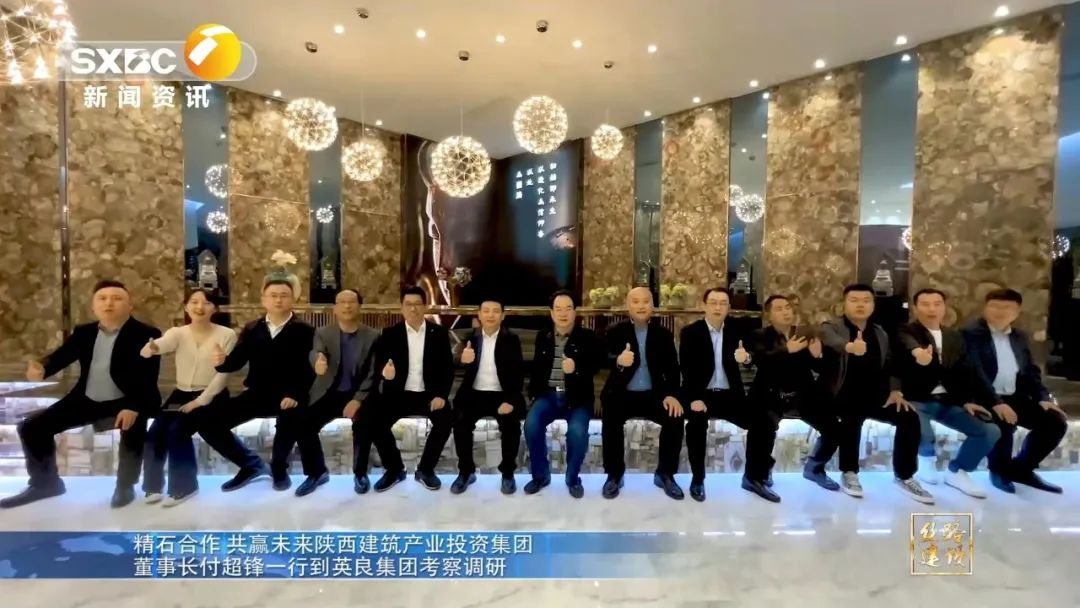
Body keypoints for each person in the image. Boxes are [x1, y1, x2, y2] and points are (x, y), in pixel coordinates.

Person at [1, 280, 161, 509]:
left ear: (130, 306)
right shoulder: (84, 332)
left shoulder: (147, 334)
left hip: (127, 399)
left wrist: (134, 406)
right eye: (102, 298)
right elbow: (63, 355)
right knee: (32, 427)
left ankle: (125, 485)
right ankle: (46, 484)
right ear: (93, 306)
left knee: (133, 424)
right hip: (87, 398)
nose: (109, 303)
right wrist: (43, 368)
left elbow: (148, 376)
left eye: (117, 298)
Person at [196, 263, 316, 492]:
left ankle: (279, 468)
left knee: (291, 419)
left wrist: (295, 394)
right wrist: (221, 362)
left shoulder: (306, 331)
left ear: (293, 299)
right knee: (207, 422)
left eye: (284, 295)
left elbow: (310, 370)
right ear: (264, 300)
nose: (278, 300)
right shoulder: (252, 329)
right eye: (273, 295)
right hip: (258, 393)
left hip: (291, 395)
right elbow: (237, 361)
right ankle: (250, 465)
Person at [812, 284, 934, 503]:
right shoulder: (831, 327)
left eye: (866, 300)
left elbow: (890, 363)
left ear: (873, 305)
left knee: (909, 417)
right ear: (844, 304)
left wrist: (895, 390)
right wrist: (850, 347)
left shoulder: (880, 332)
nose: (860, 305)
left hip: (876, 395)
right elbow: (830, 340)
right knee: (851, 415)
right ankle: (849, 472)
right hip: (840, 394)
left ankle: (904, 476)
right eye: (854, 300)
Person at [897, 288, 1001, 498]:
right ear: (915, 308)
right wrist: (918, 353)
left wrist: (967, 400)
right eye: (925, 304)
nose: (932, 309)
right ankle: (926, 460)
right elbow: (909, 345)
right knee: (922, 432)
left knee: (990, 431)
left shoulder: (954, 336)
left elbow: (965, 371)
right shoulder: (904, 332)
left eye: (937, 304)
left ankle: (958, 471)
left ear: (944, 308)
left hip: (949, 401)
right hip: (917, 399)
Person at [961, 288, 1067, 494]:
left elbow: (1031, 372)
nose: (1000, 311)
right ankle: (999, 470)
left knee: (1054, 422)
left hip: (1015, 397)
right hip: (982, 398)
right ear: (985, 309)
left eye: (1007, 307)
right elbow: (974, 373)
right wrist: (996, 402)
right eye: (995, 306)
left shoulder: (1019, 337)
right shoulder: (969, 335)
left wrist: (1043, 398)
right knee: (1003, 422)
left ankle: (1021, 469)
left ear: (1016, 312)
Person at [138, 289, 236, 506]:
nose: (199, 307)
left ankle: (185, 487)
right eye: (194, 302)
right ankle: (153, 486)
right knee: (155, 433)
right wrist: (152, 347)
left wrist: (200, 401)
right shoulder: (178, 333)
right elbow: (161, 344)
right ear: (186, 307)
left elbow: (223, 375)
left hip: (212, 394)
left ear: (215, 308)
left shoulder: (227, 334)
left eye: (206, 303)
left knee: (177, 431)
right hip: (181, 392)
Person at [680, 287, 776, 502]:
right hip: (701, 395)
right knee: (696, 425)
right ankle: (698, 478)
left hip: (730, 395)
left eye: (723, 303)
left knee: (764, 421)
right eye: (713, 302)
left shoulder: (737, 330)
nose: (718, 307)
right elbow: (686, 369)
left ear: (729, 307)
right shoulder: (690, 332)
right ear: (704, 306)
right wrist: (694, 398)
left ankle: (753, 476)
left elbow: (754, 358)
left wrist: (746, 358)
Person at [749, 294, 842, 497]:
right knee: (763, 429)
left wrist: (818, 356)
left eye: (788, 307)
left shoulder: (804, 334)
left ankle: (815, 468)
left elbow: (820, 368)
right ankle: (760, 472)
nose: (786, 312)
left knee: (834, 428)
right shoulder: (759, 335)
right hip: (770, 395)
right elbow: (761, 362)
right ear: (769, 314)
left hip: (802, 395)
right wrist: (786, 350)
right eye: (779, 308)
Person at [365, 286, 454, 491]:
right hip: (398, 394)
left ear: (425, 307)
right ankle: (395, 469)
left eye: (417, 304)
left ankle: (426, 469)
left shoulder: (439, 333)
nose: (413, 309)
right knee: (374, 421)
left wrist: (441, 395)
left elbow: (447, 368)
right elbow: (379, 366)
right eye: (408, 304)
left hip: (429, 395)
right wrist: (385, 373)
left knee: (445, 420)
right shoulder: (390, 334)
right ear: (402, 308)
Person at [600, 286, 685, 500]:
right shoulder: (613, 330)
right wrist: (618, 361)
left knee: (675, 417)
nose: (640, 306)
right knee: (610, 417)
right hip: (622, 393)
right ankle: (614, 474)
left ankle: (665, 474)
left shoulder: (663, 334)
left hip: (654, 395)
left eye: (645, 301)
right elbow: (600, 359)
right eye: (635, 301)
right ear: (628, 306)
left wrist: (672, 395)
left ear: (653, 306)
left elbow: (673, 369)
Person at [297, 288, 380, 497]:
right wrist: (317, 362)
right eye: (342, 302)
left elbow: (373, 373)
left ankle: (360, 473)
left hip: (358, 393)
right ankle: (317, 473)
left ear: (359, 306)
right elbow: (316, 352)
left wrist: (358, 400)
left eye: (351, 302)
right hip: (329, 392)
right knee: (303, 423)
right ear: (335, 308)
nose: (347, 306)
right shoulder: (323, 333)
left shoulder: (373, 336)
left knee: (365, 424)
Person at [523, 290, 601, 498]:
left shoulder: (587, 337)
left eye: (568, 309)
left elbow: (596, 367)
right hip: (547, 395)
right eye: (558, 309)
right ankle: (541, 476)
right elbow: (537, 368)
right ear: (552, 313)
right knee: (531, 425)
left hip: (577, 398)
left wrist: (576, 368)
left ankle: (572, 478)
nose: (563, 313)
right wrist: (532, 395)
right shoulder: (544, 336)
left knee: (577, 432)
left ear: (575, 312)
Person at [450, 298, 525, 495]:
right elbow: (453, 361)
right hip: (473, 393)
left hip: (502, 394)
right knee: (460, 422)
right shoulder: (470, 338)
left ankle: (507, 473)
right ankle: (466, 472)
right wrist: (461, 359)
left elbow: (518, 373)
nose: (490, 315)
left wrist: (511, 401)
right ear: (479, 315)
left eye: (495, 311)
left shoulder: (511, 339)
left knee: (511, 425)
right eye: (486, 311)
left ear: (503, 315)